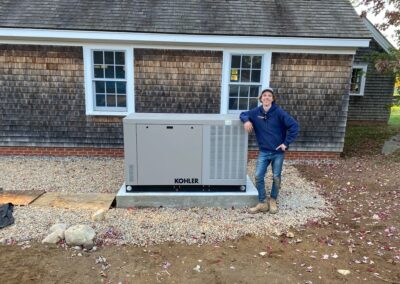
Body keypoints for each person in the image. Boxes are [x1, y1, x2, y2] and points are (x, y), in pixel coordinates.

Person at [240, 88, 299, 214]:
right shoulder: (256, 112)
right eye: (264, 95)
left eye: (269, 96)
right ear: (261, 98)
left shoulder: (279, 112)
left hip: (278, 152)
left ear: (273, 99)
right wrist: (246, 121)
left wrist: (286, 143)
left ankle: (272, 199)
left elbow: (294, 126)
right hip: (264, 152)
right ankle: (262, 202)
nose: (266, 97)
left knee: (276, 177)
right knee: (258, 176)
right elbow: (243, 114)